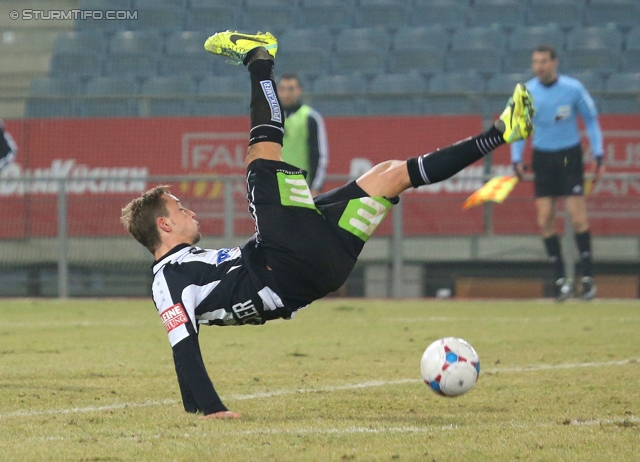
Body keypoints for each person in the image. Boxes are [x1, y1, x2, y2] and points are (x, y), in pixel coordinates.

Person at [120, 31, 534, 419]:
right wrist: (210, 410)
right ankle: (257, 57)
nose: (190, 211)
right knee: (260, 156)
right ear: (163, 225)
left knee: (391, 175)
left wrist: (194, 409)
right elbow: (184, 346)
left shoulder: (187, 262)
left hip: (321, 268)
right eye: (179, 208)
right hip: (284, 264)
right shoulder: (166, 280)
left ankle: (501, 132)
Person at [510, 44, 605, 301]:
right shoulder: (527, 91)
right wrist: (516, 158)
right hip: (542, 157)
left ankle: (586, 278)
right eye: (535, 62)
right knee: (545, 220)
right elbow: (519, 127)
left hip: (568, 156)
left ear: (554, 63)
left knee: (577, 218)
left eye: (543, 61)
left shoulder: (573, 89)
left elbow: (592, 121)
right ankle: (561, 278)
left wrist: (598, 154)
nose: (539, 66)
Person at [277, 73, 328, 196]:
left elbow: (320, 155)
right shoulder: (269, 118)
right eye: (282, 89)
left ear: (299, 91)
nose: (286, 94)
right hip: (275, 188)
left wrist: (316, 187)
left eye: (291, 89)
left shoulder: (310, 118)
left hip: (302, 189)